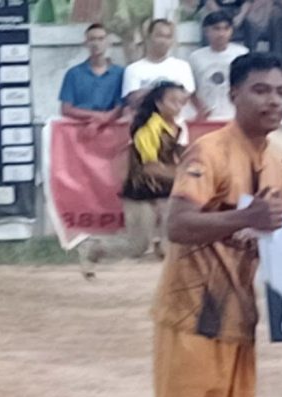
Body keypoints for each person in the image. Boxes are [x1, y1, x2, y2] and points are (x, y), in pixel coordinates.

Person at [152, 53, 282, 397]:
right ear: (233, 95)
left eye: (281, 92)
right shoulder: (208, 151)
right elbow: (177, 225)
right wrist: (245, 217)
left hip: (237, 320)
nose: (273, 101)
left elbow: (279, 257)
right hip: (191, 315)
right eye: (260, 90)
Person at [77, 82, 190, 279]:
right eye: (173, 101)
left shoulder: (178, 127)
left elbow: (182, 156)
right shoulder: (148, 128)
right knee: (137, 246)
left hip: (165, 188)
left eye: (181, 102)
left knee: (174, 231)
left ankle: (165, 250)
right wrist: (185, 175)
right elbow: (150, 167)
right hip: (140, 190)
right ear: (158, 103)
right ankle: (94, 247)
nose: (178, 107)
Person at [59, 23, 124, 134]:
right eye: (92, 39)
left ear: (108, 43)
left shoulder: (120, 73)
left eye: (101, 39)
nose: (96, 43)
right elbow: (66, 109)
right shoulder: (73, 74)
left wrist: (102, 120)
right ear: (85, 44)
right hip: (79, 132)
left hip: (111, 131)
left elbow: (121, 107)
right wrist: (97, 116)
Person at [122, 19, 197, 113]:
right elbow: (134, 101)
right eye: (159, 36)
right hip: (146, 120)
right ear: (149, 37)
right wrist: (168, 91)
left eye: (168, 37)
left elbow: (186, 96)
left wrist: (148, 92)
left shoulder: (182, 67)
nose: (164, 41)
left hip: (177, 120)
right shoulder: (133, 69)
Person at [190, 11, 250, 120]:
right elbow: (190, 89)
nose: (221, 34)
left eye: (226, 28)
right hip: (207, 118)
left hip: (235, 117)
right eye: (216, 29)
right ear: (206, 31)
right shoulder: (195, 57)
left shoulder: (242, 54)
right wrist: (200, 108)